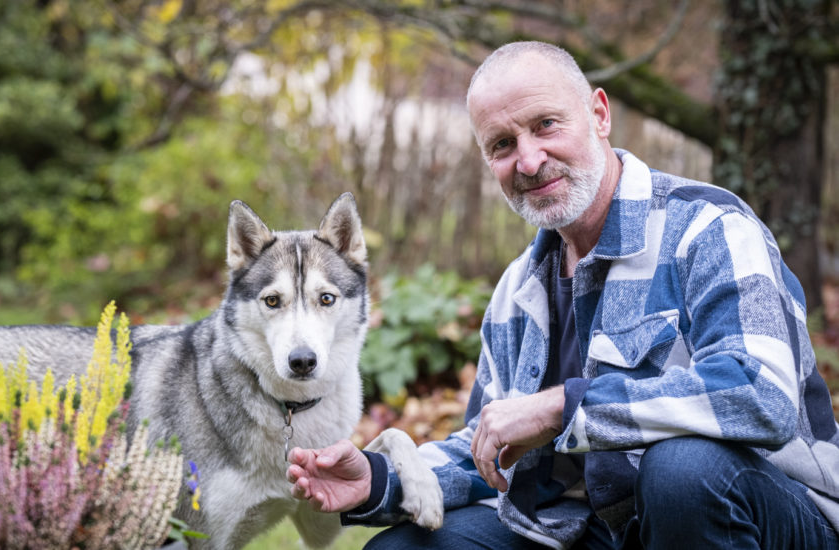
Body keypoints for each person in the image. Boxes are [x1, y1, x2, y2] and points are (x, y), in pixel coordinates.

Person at [286, 41, 839, 549]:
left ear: (599, 114)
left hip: (773, 515)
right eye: (502, 145)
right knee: (405, 548)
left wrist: (563, 407)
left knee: (681, 470)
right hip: (594, 527)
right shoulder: (516, 291)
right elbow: (489, 446)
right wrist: (379, 480)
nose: (528, 161)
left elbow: (760, 393)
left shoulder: (708, 228)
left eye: (546, 125)